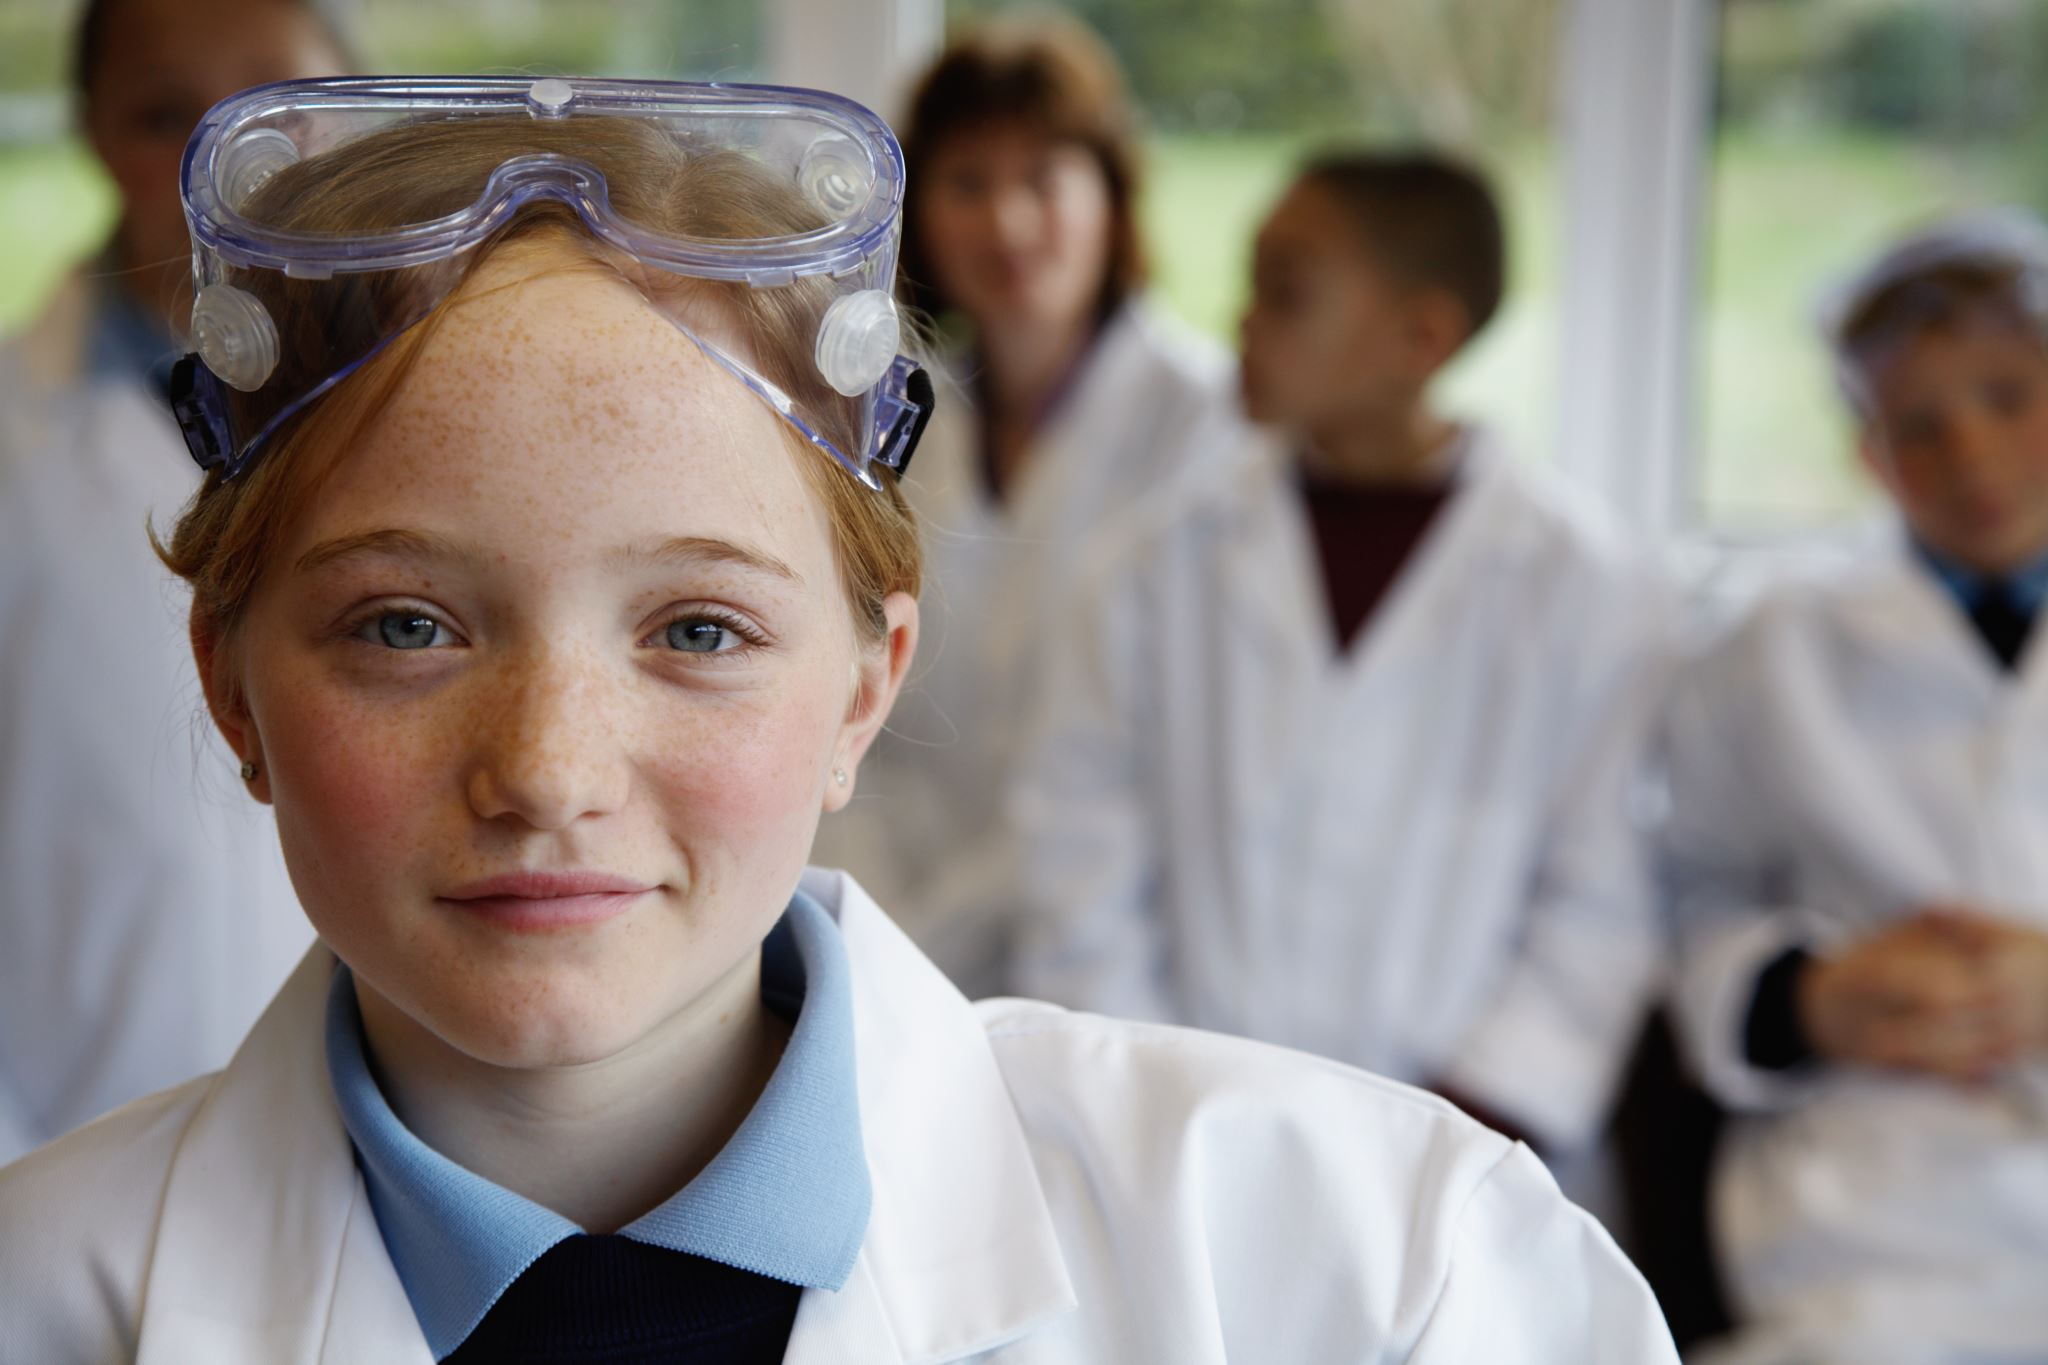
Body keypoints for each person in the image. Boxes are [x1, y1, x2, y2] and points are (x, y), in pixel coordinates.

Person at [0, 78, 1678, 1362]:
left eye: (701, 628)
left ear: (862, 693)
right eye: (406, 626)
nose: (548, 773)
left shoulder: (1376, 1272)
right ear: (233, 689)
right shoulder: (43, 1296)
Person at [1008, 151, 1674, 1166]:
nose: (1240, 321)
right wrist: (1157, 1100)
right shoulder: (1152, 564)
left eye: (1285, 293)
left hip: (1465, 1161)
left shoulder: (1581, 583)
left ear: (1422, 335)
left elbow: (1598, 898)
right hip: (1180, 1141)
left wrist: (1461, 1131)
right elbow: (1079, 856)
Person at [1665, 212, 2048, 1365]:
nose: (1970, 459)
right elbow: (1693, 897)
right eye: (1917, 427)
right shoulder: (1769, 646)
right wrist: (1805, 998)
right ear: (1866, 453)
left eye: (2006, 397)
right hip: (1867, 1220)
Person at [807, 14, 1231, 997]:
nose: (1005, 223)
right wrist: (891, 927)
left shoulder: (1207, 429)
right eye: (966, 183)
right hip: (895, 923)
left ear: (1110, 198)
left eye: (1042, 180)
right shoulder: (893, 416)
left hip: (1122, 958)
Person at [0, 0, 350, 1162]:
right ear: (93, 135)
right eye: (164, 115)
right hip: (71, 1141)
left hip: (385, 1141)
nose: (226, 159)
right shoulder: (19, 437)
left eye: (275, 108)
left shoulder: (433, 416)